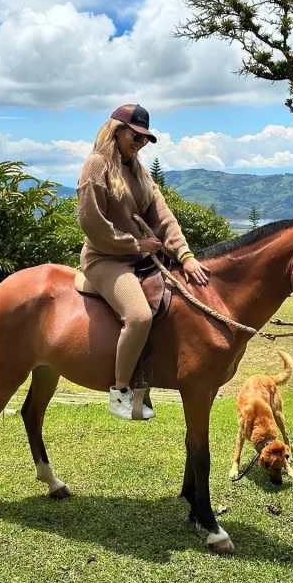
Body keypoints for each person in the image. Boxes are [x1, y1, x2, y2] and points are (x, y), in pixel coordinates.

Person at [77, 104, 211, 420]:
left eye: (144, 139)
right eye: (135, 136)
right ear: (116, 131)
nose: (139, 144)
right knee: (138, 316)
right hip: (105, 258)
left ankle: (143, 390)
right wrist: (136, 244)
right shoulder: (97, 166)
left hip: (139, 258)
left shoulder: (139, 170)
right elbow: (91, 223)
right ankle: (120, 391)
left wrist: (185, 254)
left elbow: (162, 216)